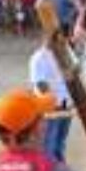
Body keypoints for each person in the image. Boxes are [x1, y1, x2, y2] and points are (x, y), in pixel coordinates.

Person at [28, 33, 74, 163]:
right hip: (49, 105)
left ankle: (59, 166)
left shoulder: (64, 52)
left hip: (65, 101)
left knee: (60, 141)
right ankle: (49, 168)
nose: (60, 40)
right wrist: (53, 103)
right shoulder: (38, 57)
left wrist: (71, 71)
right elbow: (40, 84)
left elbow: (75, 70)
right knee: (49, 142)